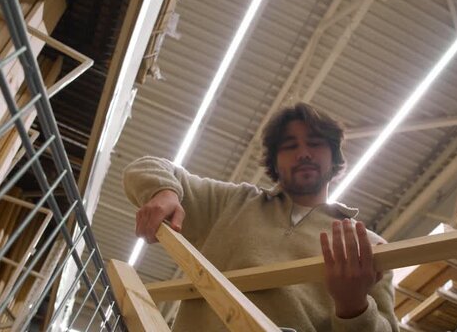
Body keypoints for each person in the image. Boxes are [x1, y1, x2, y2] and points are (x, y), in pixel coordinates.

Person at [123, 102, 398, 331]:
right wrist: (164, 191)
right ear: (274, 162)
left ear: (334, 156)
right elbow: (146, 167)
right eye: (290, 146)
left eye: (315, 143)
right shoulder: (231, 203)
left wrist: (355, 307)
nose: (303, 153)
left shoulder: (367, 245)